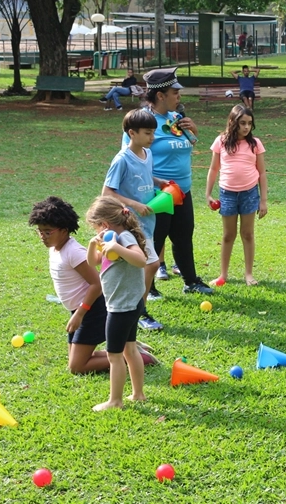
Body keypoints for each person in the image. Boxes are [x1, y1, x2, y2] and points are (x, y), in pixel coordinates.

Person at [125, 67, 213, 329]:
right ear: (160, 95)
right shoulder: (141, 123)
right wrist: (156, 186)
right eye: (175, 92)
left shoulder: (176, 117)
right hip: (158, 195)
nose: (179, 96)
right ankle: (149, 289)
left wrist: (193, 132)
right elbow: (132, 160)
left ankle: (190, 281)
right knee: (154, 241)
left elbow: (189, 144)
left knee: (184, 235)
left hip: (182, 191)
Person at [29, 197, 112, 375]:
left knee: (77, 367)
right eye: (40, 231)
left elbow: (96, 284)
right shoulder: (55, 247)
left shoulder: (73, 252)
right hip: (79, 310)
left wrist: (80, 314)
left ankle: (134, 357)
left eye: (48, 232)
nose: (42, 236)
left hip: (92, 311)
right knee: (75, 359)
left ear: (64, 230)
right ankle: (123, 350)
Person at [103, 108, 167, 328]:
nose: (153, 137)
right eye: (148, 133)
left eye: (153, 132)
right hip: (130, 224)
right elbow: (107, 193)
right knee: (151, 264)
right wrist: (134, 204)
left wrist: (159, 183)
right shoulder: (121, 160)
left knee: (151, 265)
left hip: (148, 221)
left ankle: (137, 309)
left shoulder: (147, 154)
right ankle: (139, 312)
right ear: (132, 133)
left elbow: (144, 175)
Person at [85, 196, 148, 411]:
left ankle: (115, 400)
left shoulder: (124, 238)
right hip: (128, 303)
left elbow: (140, 260)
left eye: (95, 227)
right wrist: (93, 244)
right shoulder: (112, 239)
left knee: (114, 355)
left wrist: (116, 246)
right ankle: (138, 394)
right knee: (130, 350)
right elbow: (93, 262)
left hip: (122, 307)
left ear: (105, 224)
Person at [206, 104, 268, 286]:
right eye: (242, 123)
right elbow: (213, 168)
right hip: (227, 194)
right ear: (233, 122)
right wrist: (208, 194)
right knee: (228, 235)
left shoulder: (255, 144)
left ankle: (249, 274)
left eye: (249, 123)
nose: (246, 127)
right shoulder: (221, 141)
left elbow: (262, 173)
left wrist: (263, 200)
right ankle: (223, 275)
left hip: (250, 193)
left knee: (247, 234)